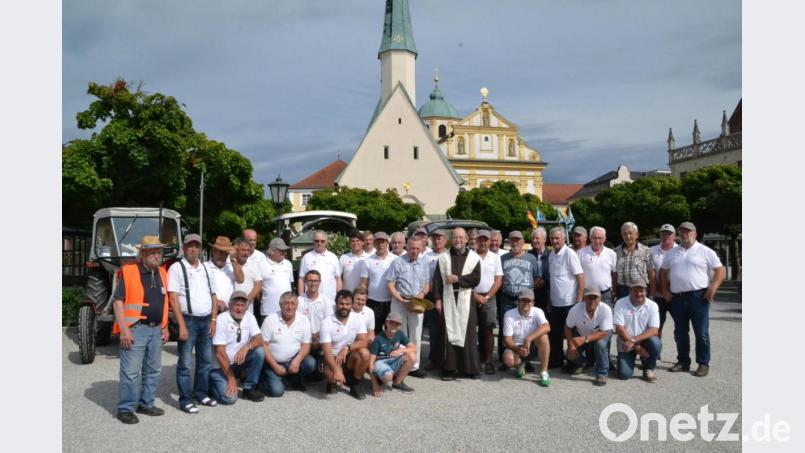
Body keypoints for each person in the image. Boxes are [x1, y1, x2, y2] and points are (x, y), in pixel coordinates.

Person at [112, 236, 171, 424]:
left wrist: (165, 326)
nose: (156, 255)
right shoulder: (129, 272)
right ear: (143, 254)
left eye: (158, 252)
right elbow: (118, 301)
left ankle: (146, 404)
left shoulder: (162, 272)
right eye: (152, 252)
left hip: (155, 330)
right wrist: (124, 330)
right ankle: (125, 409)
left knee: (153, 370)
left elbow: (164, 303)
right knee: (130, 372)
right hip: (135, 329)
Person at [660, 221, 725, 377]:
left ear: (695, 234)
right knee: (680, 332)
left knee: (701, 332)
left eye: (688, 231)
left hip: (698, 297)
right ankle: (683, 361)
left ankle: (703, 363)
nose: (684, 234)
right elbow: (663, 272)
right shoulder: (673, 253)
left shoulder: (704, 251)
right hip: (678, 298)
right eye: (682, 231)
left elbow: (719, 270)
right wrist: (665, 291)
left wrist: (713, 287)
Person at [167, 233, 219, 414]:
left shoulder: (206, 268)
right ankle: (185, 399)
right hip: (188, 320)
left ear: (200, 249)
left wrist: (213, 319)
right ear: (184, 248)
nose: (194, 249)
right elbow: (173, 298)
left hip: (206, 321)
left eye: (197, 246)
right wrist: (180, 325)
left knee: (205, 361)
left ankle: (201, 393)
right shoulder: (176, 268)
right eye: (190, 246)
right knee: (185, 363)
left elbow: (214, 295)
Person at [432, 227, 482, 380]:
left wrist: (458, 279)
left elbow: (476, 279)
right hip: (448, 298)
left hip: (466, 299)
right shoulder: (444, 258)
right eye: (455, 237)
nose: (458, 240)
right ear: (451, 239)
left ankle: (469, 369)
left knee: (468, 334)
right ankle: (450, 368)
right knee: (449, 333)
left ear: (467, 239)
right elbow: (437, 281)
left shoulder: (474, 258)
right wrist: (438, 300)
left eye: (461, 237)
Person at [210, 291, 266, 404]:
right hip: (220, 367)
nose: (240, 309)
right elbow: (219, 353)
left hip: (237, 363)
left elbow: (259, 339)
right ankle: (211, 385)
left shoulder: (249, 317)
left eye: (242, 305)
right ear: (230, 305)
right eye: (236, 305)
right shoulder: (221, 320)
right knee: (230, 399)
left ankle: (248, 389)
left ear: (246, 306)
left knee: (259, 352)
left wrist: (247, 347)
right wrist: (231, 378)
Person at [386, 237, 430, 378]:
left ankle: (414, 366)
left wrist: (423, 293)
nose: (415, 251)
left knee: (416, 334)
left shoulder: (424, 263)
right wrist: (401, 300)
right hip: (400, 301)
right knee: (399, 334)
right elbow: (390, 284)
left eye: (418, 248)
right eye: (412, 248)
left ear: (421, 248)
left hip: (417, 302)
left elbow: (427, 284)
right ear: (407, 246)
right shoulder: (397, 262)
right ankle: (400, 364)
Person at [260, 292, 316, 397]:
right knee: (277, 392)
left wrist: (297, 360)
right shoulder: (270, 319)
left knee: (310, 363)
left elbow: (306, 345)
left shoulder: (304, 320)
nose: (289, 307)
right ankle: (264, 379)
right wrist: (274, 365)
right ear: (280, 305)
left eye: (292, 303)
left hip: (292, 360)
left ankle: (293, 378)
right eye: (286, 303)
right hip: (272, 363)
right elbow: (263, 345)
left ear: (297, 305)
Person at [498, 230, 540, 368]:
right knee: (506, 330)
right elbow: (500, 277)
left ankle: (526, 360)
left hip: (525, 301)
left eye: (518, 240)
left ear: (523, 242)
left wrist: (530, 290)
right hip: (508, 299)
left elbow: (537, 277)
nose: (515, 242)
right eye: (512, 240)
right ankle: (505, 359)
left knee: (526, 330)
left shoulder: (531, 258)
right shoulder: (503, 258)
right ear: (509, 242)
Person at [320, 290, 371, 399]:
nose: (344, 307)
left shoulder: (357, 319)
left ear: (352, 305)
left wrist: (347, 347)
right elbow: (327, 351)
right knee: (332, 377)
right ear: (336, 304)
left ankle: (355, 383)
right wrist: (336, 369)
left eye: (347, 304)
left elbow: (364, 341)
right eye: (341, 304)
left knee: (365, 353)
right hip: (332, 357)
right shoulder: (326, 322)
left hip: (348, 356)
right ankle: (332, 381)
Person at [547, 227, 585, 369]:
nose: (555, 241)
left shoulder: (570, 254)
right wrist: (550, 301)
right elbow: (553, 280)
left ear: (564, 239)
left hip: (570, 303)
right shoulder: (551, 255)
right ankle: (557, 360)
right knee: (555, 334)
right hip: (556, 303)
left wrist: (578, 301)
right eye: (553, 238)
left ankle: (573, 363)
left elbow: (580, 277)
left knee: (571, 335)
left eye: (557, 238)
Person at [501, 289, 552, 387]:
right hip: (516, 347)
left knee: (544, 338)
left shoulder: (538, 311)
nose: (526, 303)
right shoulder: (509, 314)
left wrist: (528, 339)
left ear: (533, 303)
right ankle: (520, 366)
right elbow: (507, 339)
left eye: (529, 301)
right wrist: (518, 349)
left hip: (532, 345)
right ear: (518, 301)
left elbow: (547, 327)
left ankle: (544, 372)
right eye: (523, 300)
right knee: (508, 360)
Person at [613, 283, 661, 382]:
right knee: (624, 374)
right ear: (630, 291)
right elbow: (619, 329)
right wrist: (637, 348)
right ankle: (632, 359)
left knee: (656, 343)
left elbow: (654, 330)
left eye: (641, 291)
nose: (639, 293)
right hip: (625, 341)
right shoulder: (620, 303)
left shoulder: (652, 305)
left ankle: (648, 368)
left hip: (643, 341)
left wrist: (634, 340)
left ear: (646, 291)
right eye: (635, 290)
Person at [564, 288, 613, 386]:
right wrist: (571, 345)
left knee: (600, 344)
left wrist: (585, 339)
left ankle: (602, 373)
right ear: (584, 298)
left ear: (600, 298)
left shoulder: (606, 309)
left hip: (600, 335)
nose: (592, 301)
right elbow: (567, 327)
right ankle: (584, 363)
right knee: (569, 354)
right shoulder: (575, 310)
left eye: (595, 298)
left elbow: (604, 333)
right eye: (589, 297)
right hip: (582, 335)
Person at [473, 230, 503, 375]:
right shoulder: (470, 256)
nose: (483, 242)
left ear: (490, 241)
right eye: (481, 239)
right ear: (477, 240)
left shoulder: (495, 258)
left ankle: (489, 360)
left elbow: (498, 280)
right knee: (471, 330)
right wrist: (475, 296)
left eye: (486, 240)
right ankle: (474, 359)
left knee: (489, 330)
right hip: (472, 296)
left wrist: (487, 296)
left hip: (489, 297)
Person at [369, 312, 417, 397]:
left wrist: (401, 350)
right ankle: (379, 379)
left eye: (397, 323)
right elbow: (371, 363)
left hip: (392, 360)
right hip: (381, 363)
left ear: (400, 325)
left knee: (412, 356)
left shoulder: (400, 334)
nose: (394, 325)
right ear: (386, 322)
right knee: (388, 377)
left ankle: (397, 383)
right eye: (391, 322)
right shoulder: (378, 338)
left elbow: (414, 348)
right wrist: (374, 384)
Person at [359, 232, 397, 332]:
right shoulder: (367, 261)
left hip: (391, 301)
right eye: (378, 242)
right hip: (373, 301)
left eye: (383, 242)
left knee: (391, 331)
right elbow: (363, 282)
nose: (380, 245)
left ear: (387, 243)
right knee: (374, 331)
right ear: (374, 244)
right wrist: (362, 299)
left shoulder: (396, 259)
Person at [423, 229, 448, 370]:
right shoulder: (426, 257)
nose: (437, 241)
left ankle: (447, 358)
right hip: (431, 295)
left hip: (448, 295)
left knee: (447, 329)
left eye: (440, 238)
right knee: (433, 329)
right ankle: (433, 359)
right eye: (435, 238)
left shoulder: (449, 255)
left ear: (445, 240)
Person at [298, 230, 342, 302]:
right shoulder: (306, 257)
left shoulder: (333, 257)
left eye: (322, 241)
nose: (319, 243)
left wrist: (339, 298)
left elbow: (338, 279)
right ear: (313, 241)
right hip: (310, 300)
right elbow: (301, 279)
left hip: (330, 300)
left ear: (326, 242)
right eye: (317, 241)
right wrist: (301, 298)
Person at [614, 222, 655, 298]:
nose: (628, 236)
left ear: (637, 235)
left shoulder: (646, 251)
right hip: (623, 291)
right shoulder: (616, 251)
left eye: (630, 233)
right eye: (625, 234)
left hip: (641, 290)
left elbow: (651, 274)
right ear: (622, 235)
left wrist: (652, 294)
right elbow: (614, 274)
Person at [578, 226, 617, 308]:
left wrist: (614, 291)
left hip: (606, 294)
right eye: (594, 238)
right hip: (588, 294)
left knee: (606, 318)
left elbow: (614, 274)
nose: (597, 241)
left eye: (600, 238)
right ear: (590, 238)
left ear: (605, 238)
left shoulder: (611, 253)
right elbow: (578, 276)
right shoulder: (581, 253)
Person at [650, 224, 677, 337]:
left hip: (676, 295)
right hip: (657, 296)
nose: (666, 236)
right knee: (656, 327)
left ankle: (682, 354)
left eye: (669, 234)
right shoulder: (651, 251)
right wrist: (661, 290)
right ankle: (655, 354)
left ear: (674, 236)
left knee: (681, 327)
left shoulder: (680, 250)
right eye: (663, 233)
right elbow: (650, 274)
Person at [259, 238, 294, 326]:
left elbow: (291, 285)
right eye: (282, 251)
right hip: (268, 311)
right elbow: (257, 289)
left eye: (285, 251)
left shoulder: (288, 264)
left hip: (287, 311)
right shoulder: (262, 265)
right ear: (272, 251)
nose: (285, 253)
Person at [297, 270, 333, 347]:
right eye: (310, 281)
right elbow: (298, 323)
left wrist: (317, 335)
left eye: (315, 281)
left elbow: (329, 323)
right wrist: (309, 336)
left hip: (322, 341)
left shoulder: (326, 301)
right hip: (303, 341)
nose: (313, 283)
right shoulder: (299, 300)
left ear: (319, 282)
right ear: (305, 282)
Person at [207, 236, 243, 312]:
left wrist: (233, 259)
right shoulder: (204, 267)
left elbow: (241, 280)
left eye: (225, 253)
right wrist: (216, 301)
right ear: (213, 251)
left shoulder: (231, 267)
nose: (222, 256)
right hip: (210, 310)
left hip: (228, 311)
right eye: (219, 252)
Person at [233, 237, 263, 315]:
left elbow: (258, 285)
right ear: (235, 250)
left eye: (248, 250)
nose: (246, 253)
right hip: (230, 307)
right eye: (243, 250)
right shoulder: (228, 263)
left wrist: (247, 300)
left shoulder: (254, 264)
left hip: (247, 309)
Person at [527, 227, 550, 311]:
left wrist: (545, 281)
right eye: (533, 238)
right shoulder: (528, 255)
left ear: (544, 239)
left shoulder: (551, 255)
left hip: (547, 294)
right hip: (532, 292)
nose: (534, 240)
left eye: (537, 238)